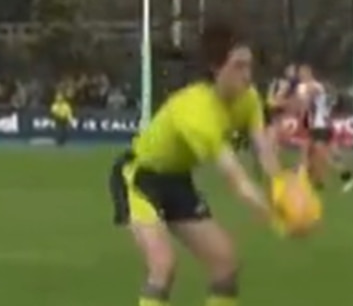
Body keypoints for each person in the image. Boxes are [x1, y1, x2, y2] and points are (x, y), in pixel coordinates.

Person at [107, 23, 286, 306]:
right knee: (163, 266)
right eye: (238, 66)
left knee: (225, 263)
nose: (247, 76)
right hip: (140, 178)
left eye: (249, 66)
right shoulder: (196, 109)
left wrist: (283, 189)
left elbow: (263, 147)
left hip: (177, 180)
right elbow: (233, 176)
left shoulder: (248, 98)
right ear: (216, 67)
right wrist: (273, 212)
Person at [295, 65, 353, 193]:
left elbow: (310, 96)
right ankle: (314, 180)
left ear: (309, 73)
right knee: (312, 153)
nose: (301, 76)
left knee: (323, 156)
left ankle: (344, 177)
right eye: (300, 74)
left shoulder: (315, 87)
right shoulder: (309, 87)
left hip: (321, 127)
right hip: (319, 126)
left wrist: (304, 95)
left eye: (303, 73)